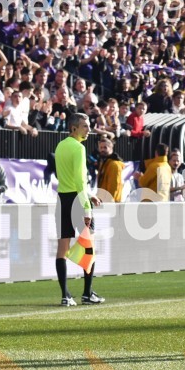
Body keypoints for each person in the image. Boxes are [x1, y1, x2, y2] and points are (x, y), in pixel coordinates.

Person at [54, 114, 104, 307]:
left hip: (63, 199)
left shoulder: (60, 146)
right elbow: (80, 180)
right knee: (88, 246)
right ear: (74, 128)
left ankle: (65, 295)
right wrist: (87, 209)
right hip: (77, 199)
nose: (88, 129)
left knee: (62, 248)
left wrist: (88, 194)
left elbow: (65, 176)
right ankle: (87, 293)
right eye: (85, 126)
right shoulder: (79, 148)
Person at [97, 136, 124, 203]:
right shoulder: (104, 162)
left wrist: (110, 202)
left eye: (105, 147)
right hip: (104, 201)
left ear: (111, 148)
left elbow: (114, 186)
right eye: (101, 147)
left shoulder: (114, 164)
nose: (102, 150)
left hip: (110, 203)